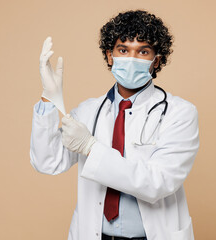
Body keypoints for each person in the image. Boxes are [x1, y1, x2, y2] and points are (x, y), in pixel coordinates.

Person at [30, 9, 199, 240]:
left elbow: (158, 182)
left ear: (156, 61)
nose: (131, 58)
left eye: (143, 51)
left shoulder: (179, 113)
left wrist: (91, 147)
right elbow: (48, 162)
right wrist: (48, 99)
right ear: (110, 56)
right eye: (123, 50)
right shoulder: (89, 111)